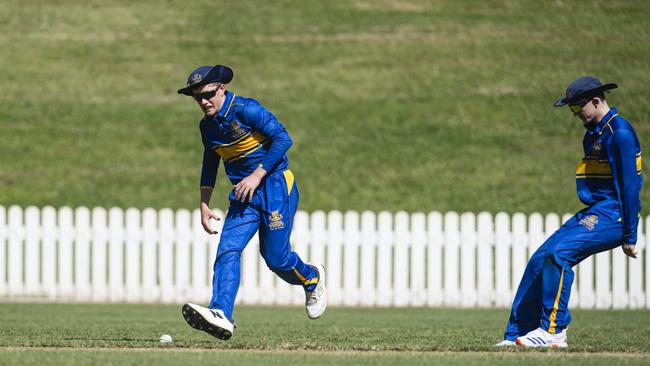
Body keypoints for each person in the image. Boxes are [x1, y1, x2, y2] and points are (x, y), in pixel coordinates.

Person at [177, 65, 327, 340]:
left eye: (208, 94)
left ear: (221, 88)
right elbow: (210, 161)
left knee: (276, 258)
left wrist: (257, 176)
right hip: (243, 193)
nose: (204, 101)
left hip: (275, 186)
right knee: (228, 249)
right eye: (197, 97)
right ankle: (221, 312)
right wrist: (204, 203)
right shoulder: (207, 126)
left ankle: (311, 278)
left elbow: (283, 139)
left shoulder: (247, 109)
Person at [495, 76, 642, 348]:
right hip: (597, 209)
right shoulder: (594, 134)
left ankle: (554, 331)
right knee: (540, 258)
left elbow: (630, 187)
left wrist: (630, 234)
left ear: (596, 101)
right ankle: (520, 333)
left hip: (614, 214)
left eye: (577, 107)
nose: (575, 115)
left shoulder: (619, 134)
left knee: (558, 254)